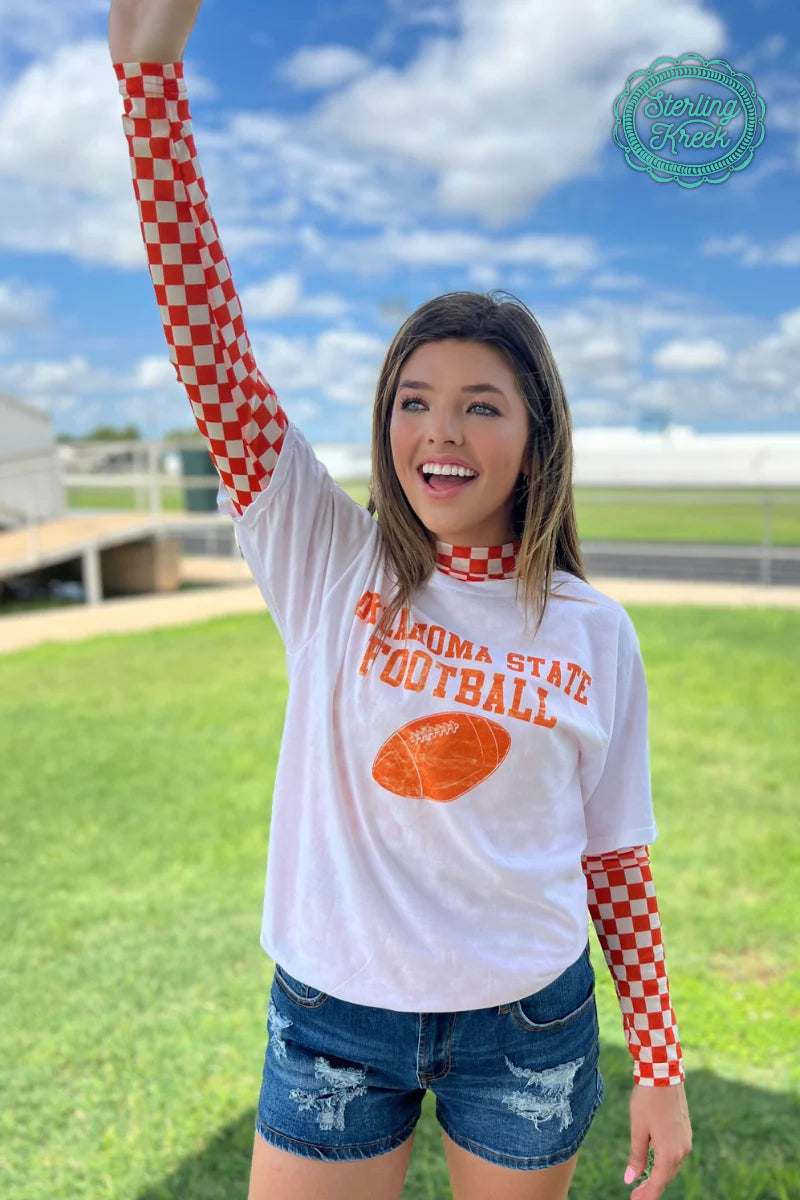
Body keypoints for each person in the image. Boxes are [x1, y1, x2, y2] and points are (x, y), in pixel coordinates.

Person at [108, 3, 692, 1197]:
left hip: (522, 1023)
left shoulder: (590, 628)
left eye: (482, 403)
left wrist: (663, 1061)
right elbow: (209, 345)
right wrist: (147, 84)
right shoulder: (328, 557)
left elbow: (613, 856)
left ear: (534, 439)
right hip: (334, 1014)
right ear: (385, 425)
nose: (440, 428)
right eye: (414, 398)